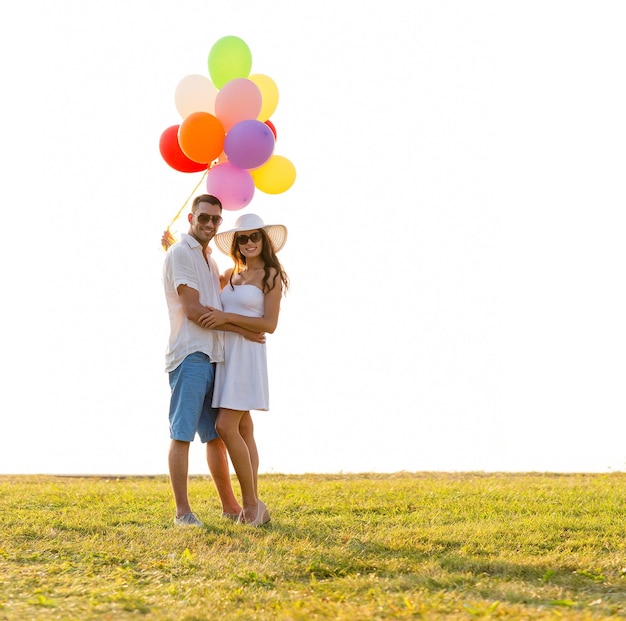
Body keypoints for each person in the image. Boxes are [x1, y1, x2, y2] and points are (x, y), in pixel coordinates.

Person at [162, 195, 266, 527]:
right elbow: (193, 310)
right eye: (204, 218)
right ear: (191, 217)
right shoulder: (181, 253)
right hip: (191, 353)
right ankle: (183, 513)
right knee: (181, 434)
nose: (209, 224)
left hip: (215, 357)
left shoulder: (207, 259)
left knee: (215, 436)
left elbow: (219, 301)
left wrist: (237, 327)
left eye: (215, 220)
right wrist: (242, 328)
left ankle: (231, 507)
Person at [198, 213, 289, 527]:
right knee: (244, 429)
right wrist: (234, 327)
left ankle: (250, 505)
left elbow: (269, 325)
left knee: (226, 426)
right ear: (236, 243)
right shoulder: (229, 274)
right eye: (242, 238)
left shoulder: (271, 275)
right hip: (227, 354)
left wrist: (227, 322)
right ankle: (257, 506)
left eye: (254, 237)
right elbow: (205, 288)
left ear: (263, 240)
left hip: (248, 358)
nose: (249, 243)